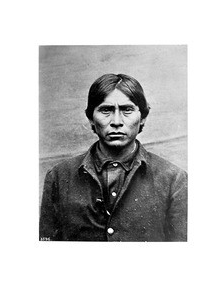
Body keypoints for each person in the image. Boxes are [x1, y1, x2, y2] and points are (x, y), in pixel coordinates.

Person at [39, 73, 187, 242]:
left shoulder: (174, 179)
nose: (116, 121)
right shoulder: (59, 177)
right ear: (91, 119)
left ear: (143, 118)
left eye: (127, 110)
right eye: (106, 110)